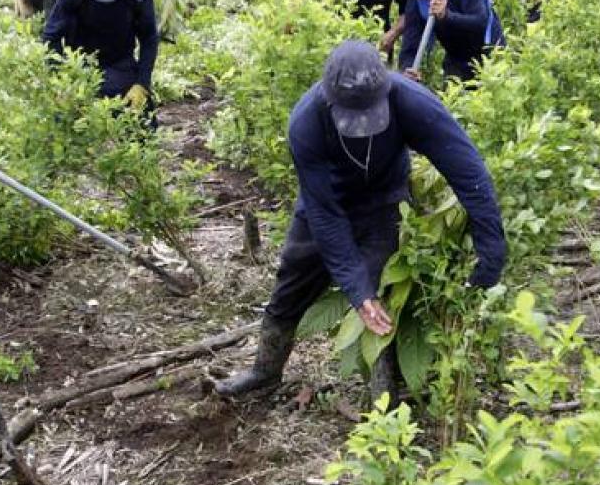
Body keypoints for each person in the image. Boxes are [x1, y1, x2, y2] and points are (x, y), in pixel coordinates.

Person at [211, 40, 505, 402]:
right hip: (326, 201)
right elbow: (324, 214)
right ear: (331, 99)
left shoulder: (412, 101)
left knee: (381, 291)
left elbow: (467, 171)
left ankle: (383, 397)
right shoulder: (307, 121)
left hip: (385, 199)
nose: (364, 124)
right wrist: (355, 288)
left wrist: (491, 247)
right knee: (292, 282)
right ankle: (264, 372)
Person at [42, 0, 157, 113]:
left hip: (120, 63)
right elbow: (51, 36)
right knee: (67, 119)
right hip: (80, 64)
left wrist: (142, 83)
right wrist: (59, 80)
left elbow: (149, 38)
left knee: (142, 118)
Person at [395, 0, 505, 83]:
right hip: (457, 57)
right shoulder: (416, 2)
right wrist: (406, 69)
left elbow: (479, 22)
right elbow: (410, 46)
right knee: (451, 99)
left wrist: (446, 16)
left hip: (490, 49)